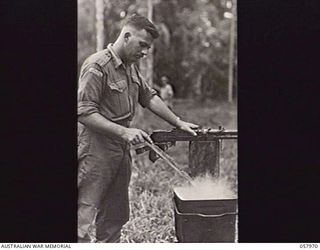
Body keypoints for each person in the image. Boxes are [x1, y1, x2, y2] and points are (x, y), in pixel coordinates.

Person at [77, 13, 198, 243]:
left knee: (115, 215)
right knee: (83, 214)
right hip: (96, 149)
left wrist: (178, 122)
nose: (144, 52)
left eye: (148, 48)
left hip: (121, 149)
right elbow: (83, 111)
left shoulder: (131, 68)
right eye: (142, 45)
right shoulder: (97, 65)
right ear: (126, 35)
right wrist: (124, 132)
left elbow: (149, 97)